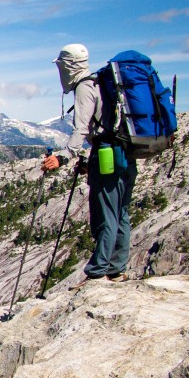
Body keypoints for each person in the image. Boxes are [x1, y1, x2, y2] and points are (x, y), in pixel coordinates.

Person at [40, 43, 137, 287]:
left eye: (61, 65)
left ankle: (97, 271)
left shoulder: (86, 87)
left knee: (105, 216)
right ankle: (117, 269)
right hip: (125, 155)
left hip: (107, 157)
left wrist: (63, 157)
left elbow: (82, 129)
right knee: (121, 212)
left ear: (68, 65)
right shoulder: (105, 84)